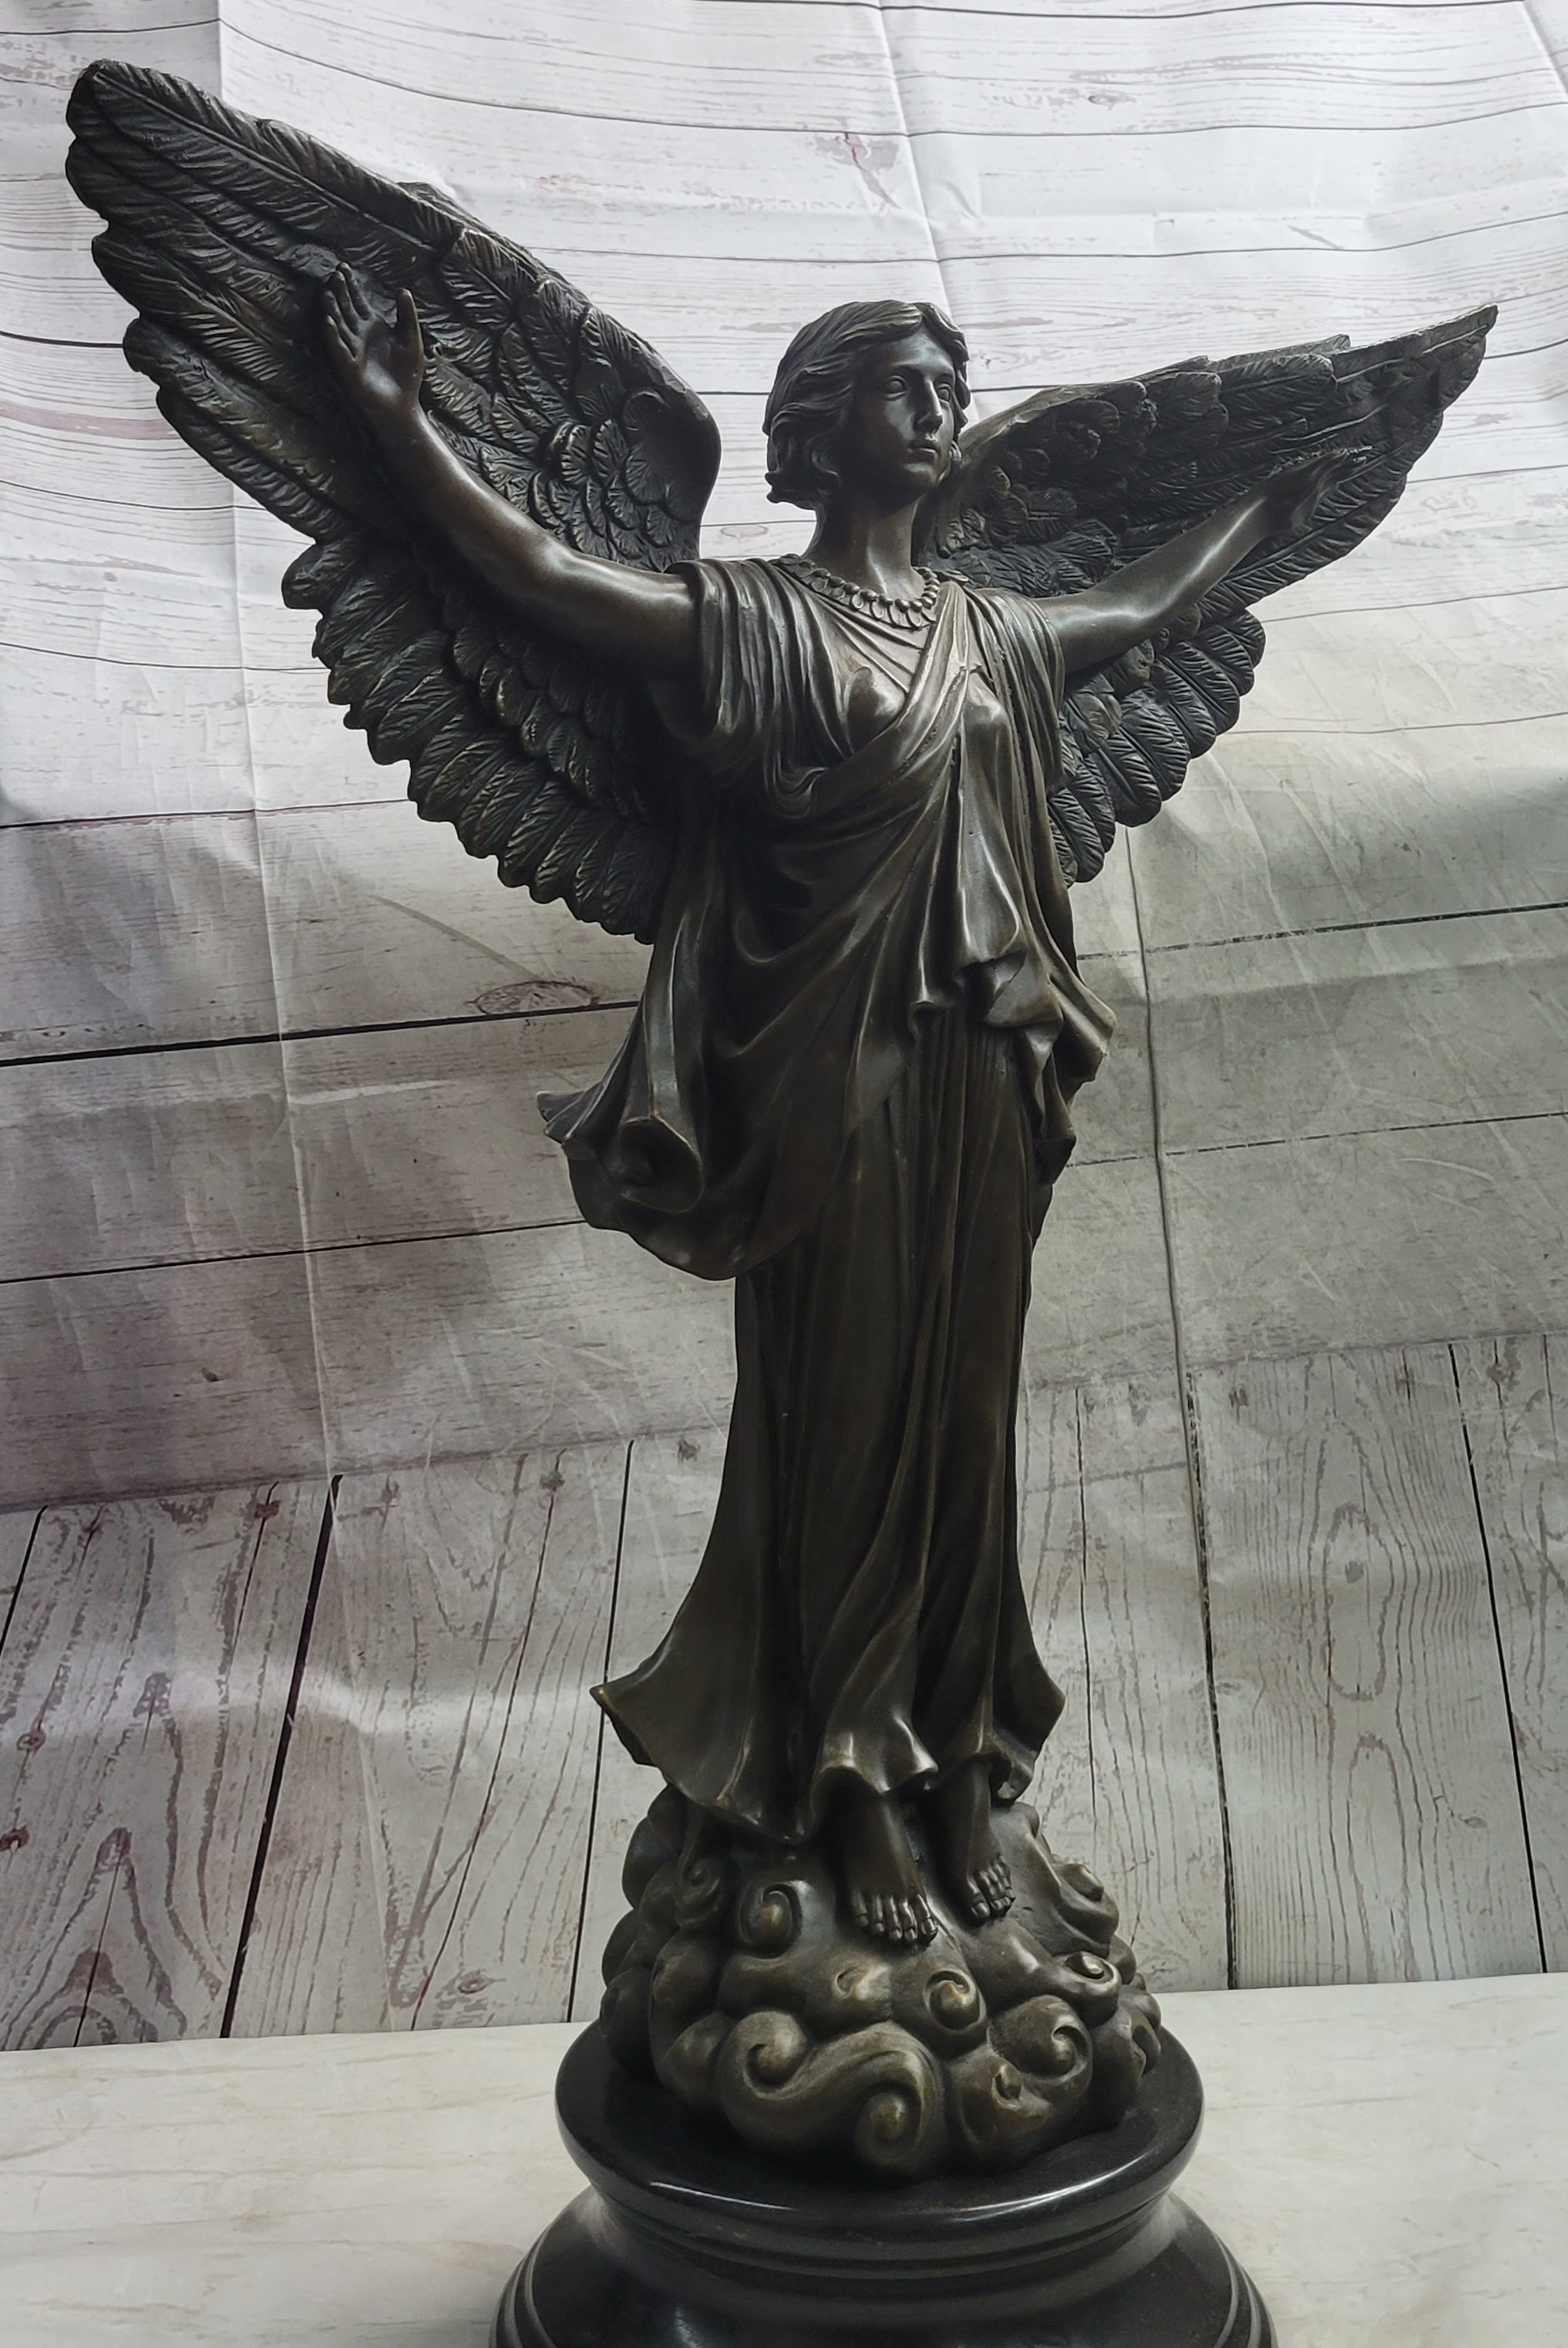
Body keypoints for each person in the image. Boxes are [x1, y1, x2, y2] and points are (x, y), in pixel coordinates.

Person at [325, 274, 1327, 1949]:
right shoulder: (745, 619)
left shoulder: (995, 631)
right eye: (904, 387)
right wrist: (397, 425)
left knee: (965, 1422)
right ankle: (846, 1771)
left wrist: (1269, 506)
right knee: (846, 1418)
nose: (941, 411)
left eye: (952, 387)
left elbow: (1141, 601)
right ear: (819, 423)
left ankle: (961, 1753)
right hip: (824, 1084)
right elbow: (542, 578)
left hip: (982, 1074)